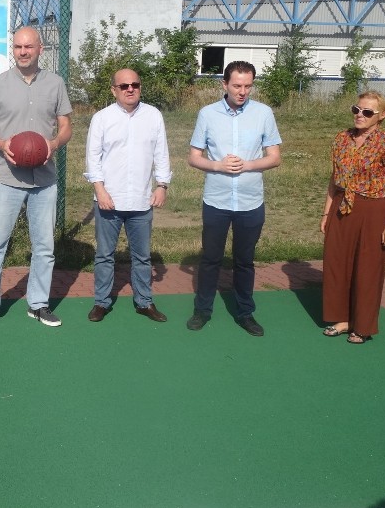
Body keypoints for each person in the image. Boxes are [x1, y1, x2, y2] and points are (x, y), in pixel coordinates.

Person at [0, 26, 73, 332]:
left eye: (28, 47)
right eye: (18, 47)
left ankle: (38, 304)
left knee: (44, 246)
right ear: (12, 50)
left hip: (44, 179)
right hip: (7, 178)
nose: (23, 52)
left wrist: (53, 145)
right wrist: (2, 145)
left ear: (40, 49)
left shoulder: (55, 84)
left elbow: (66, 126)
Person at [186, 60, 282, 336]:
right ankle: (202, 310)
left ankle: (244, 312)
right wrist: (218, 166)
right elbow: (194, 157)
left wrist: (248, 165)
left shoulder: (264, 113)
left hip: (251, 201)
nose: (243, 92)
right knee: (210, 259)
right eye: (237, 86)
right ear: (224, 85)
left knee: (244, 261)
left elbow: (275, 157)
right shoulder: (207, 114)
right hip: (216, 200)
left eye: (248, 86)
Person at [84, 68, 172, 323]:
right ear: (114, 90)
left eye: (135, 84)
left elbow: (161, 153)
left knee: (142, 256)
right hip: (108, 200)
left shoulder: (153, 116)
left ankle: (144, 302)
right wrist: (99, 190)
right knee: (104, 255)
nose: (130, 89)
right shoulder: (101, 118)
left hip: (142, 201)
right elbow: (93, 157)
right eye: (124, 86)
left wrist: (162, 185)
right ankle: (101, 302)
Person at [320, 91, 385, 344]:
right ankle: (341, 318)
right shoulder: (342, 139)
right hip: (342, 207)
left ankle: (363, 325)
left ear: (382, 116)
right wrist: (326, 213)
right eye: (356, 109)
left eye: (367, 112)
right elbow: (334, 181)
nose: (359, 115)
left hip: (374, 209)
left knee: (368, 268)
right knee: (337, 263)